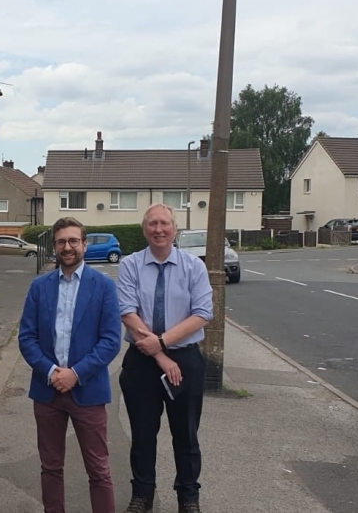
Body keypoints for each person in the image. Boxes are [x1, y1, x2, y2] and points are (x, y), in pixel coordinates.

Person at [18, 217, 121, 513]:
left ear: (84, 245)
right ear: (54, 246)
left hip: (88, 391)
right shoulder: (39, 287)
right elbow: (27, 338)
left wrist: (75, 374)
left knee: (99, 470)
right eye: (62, 241)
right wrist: (51, 372)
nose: (68, 247)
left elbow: (111, 341)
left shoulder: (103, 286)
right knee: (50, 467)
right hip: (47, 391)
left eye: (74, 241)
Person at [116, 204, 213, 513]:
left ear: (175, 229)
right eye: (152, 224)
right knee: (143, 433)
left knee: (186, 433)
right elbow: (127, 311)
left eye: (164, 223)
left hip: (184, 359)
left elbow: (202, 313)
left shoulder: (193, 266)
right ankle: (142, 494)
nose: (159, 229)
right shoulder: (130, 265)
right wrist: (159, 354)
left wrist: (161, 343)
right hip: (141, 362)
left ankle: (188, 497)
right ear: (145, 229)